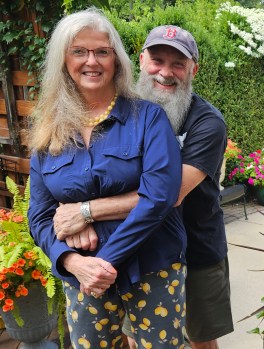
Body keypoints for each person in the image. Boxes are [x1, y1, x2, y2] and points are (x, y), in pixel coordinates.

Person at [52, 24, 232, 349]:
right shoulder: (117, 111)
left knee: (200, 337)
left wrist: (85, 212)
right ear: (140, 59)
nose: (165, 72)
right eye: (157, 60)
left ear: (194, 69)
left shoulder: (208, 123)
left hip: (197, 246)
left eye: (178, 63)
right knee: (134, 334)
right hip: (137, 247)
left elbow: (170, 194)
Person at [27, 9, 187, 349]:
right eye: (79, 51)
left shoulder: (148, 119)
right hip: (82, 276)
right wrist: (72, 263)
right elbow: (39, 216)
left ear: (116, 59)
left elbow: (159, 196)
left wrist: (104, 261)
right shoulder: (48, 131)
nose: (92, 61)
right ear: (63, 61)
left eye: (102, 51)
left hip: (152, 267)